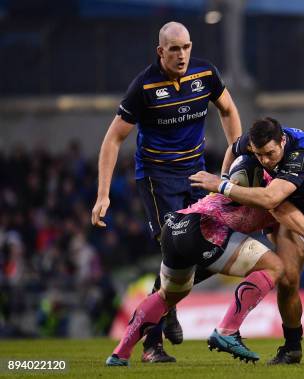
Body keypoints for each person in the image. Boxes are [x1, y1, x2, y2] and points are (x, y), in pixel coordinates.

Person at [91, 21, 241, 363]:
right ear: (160, 51)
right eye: (174, 49)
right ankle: (152, 344)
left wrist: (234, 163)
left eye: (186, 47)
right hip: (158, 178)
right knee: (174, 248)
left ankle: (168, 303)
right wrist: (103, 195)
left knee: (205, 248)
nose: (182, 54)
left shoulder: (205, 74)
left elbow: (229, 110)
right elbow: (113, 138)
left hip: (196, 174)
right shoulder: (143, 87)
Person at [105, 156, 304, 366]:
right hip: (203, 232)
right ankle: (227, 331)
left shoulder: (247, 181)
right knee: (275, 266)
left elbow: (287, 247)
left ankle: (120, 353)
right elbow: (278, 220)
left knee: (168, 295)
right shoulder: (272, 193)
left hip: (175, 228)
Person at [190, 117, 304, 365]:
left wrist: (221, 185)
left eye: (269, 154)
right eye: (259, 155)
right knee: (288, 278)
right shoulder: (254, 143)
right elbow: (233, 149)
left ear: (282, 141)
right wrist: (226, 175)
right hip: (295, 207)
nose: (265, 161)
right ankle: (292, 348)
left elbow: (270, 198)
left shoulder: (302, 153)